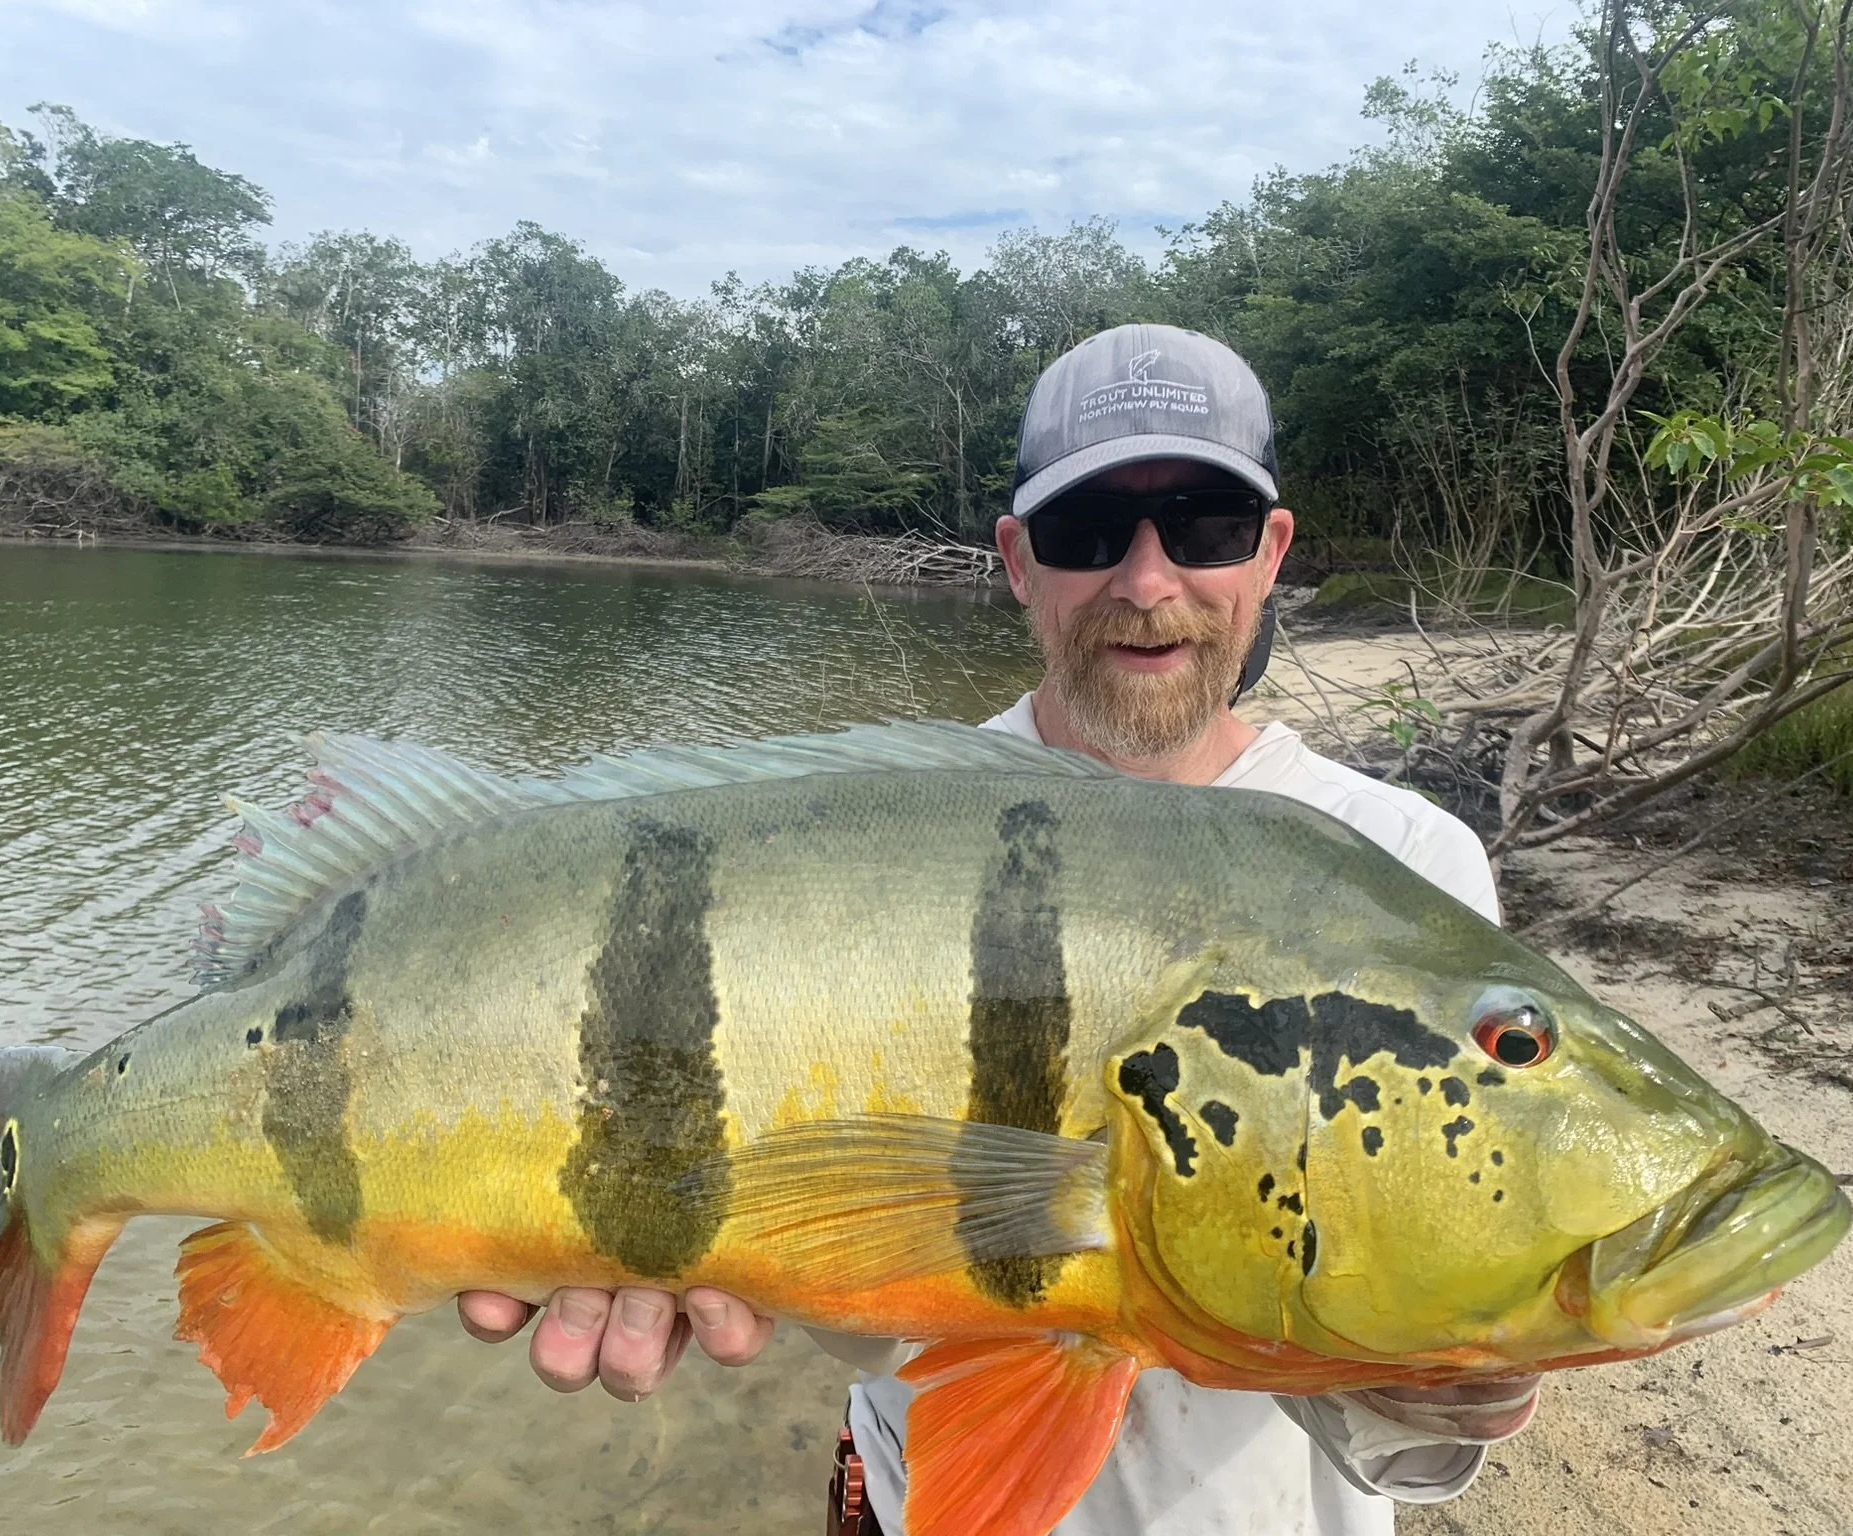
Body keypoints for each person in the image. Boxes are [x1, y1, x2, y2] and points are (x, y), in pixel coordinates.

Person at [454, 324, 1539, 1533]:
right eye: (1085, 533)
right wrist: (665, 1233)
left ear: (1270, 552)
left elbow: (1400, 1420)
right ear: (1018, 562)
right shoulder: (875, 848)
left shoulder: (1406, 864)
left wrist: (1468, 1374)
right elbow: (864, 1302)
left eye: (1204, 525)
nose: (1143, 582)